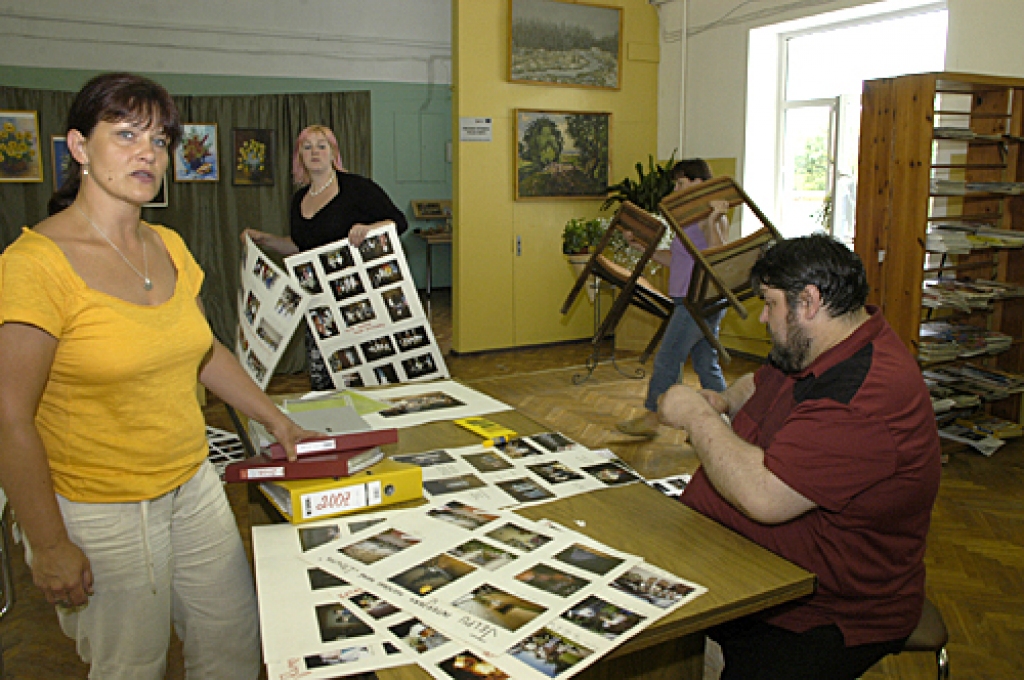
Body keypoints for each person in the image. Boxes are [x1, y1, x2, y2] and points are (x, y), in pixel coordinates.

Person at [0, 72, 316, 680]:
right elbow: (10, 416)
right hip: (99, 510)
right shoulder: (34, 264)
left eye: (161, 139)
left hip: (193, 485)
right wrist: (50, 543)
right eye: (125, 135)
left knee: (232, 644)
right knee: (133, 666)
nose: (148, 152)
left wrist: (275, 417)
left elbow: (204, 351)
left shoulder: (169, 245)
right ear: (79, 147)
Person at [659, 234, 942, 680]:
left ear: (808, 301)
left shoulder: (865, 396)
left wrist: (697, 418)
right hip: (764, 568)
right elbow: (762, 382)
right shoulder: (826, 344)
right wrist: (724, 402)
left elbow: (765, 497)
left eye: (770, 304)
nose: (763, 317)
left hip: (827, 609)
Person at [241, 124, 408, 390]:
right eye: (307, 147)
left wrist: (369, 229)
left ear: (333, 153)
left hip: (357, 301)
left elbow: (398, 222)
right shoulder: (299, 200)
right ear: (299, 157)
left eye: (322, 145)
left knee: (365, 377)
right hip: (318, 304)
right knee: (324, 380)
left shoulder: (357, 188)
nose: (314, 152)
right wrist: (265, 240)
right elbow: (301, 248)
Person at [616, 158, 730, 438]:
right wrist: (643, 246)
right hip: (690, 299)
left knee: (668, 358)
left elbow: (716, 257)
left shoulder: (707, 217)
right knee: (705, 363)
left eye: (681, 182)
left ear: (698, 183)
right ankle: (726, 421)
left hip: (699, 300)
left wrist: (714, 219)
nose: (676, 188)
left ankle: (654, 417)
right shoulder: (688, 219)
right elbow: (675, 260)